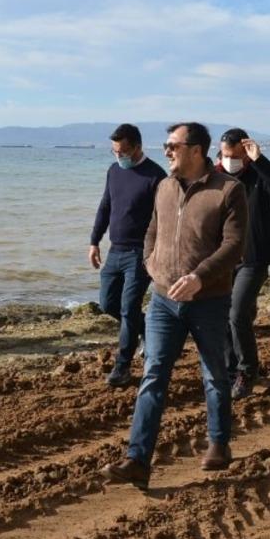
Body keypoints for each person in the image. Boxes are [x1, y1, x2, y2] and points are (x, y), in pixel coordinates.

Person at [102, 122, 247, 489]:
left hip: (209, 300)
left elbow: (234, 245)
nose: (166, 150)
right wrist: (151, 265)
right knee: (153, 375)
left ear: (196, 150)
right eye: (166, 145)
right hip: (163, 301)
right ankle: (138, 460)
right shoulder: (164, 187)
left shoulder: (229, 190)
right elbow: (153, 230)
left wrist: (199, 276)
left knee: (214, 374)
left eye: (173, 145)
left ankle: (219, 444)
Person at [216, 128, 270, 400]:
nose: (228, 160)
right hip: (223, 259)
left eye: (234, 156)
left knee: (237, 314)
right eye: (224, 155)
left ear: (246, 152)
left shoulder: (258, 174)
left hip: (254, 257)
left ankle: (247, 371)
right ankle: (230, 371)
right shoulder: (215, 177)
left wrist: (260, 160)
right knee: (224, 316)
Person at [89, 123, 167, 387]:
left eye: (122, 151)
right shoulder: (114, 171)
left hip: (140, 253)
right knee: (108, 304)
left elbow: (164, 219)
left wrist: (156, 255)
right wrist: (94, 241)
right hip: (115, 250)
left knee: (128, 308)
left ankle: (122, 368)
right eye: (114, 151)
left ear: (137, 147)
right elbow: (105, 206)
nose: (118, 156)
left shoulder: (156, 176)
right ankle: (147, 330)